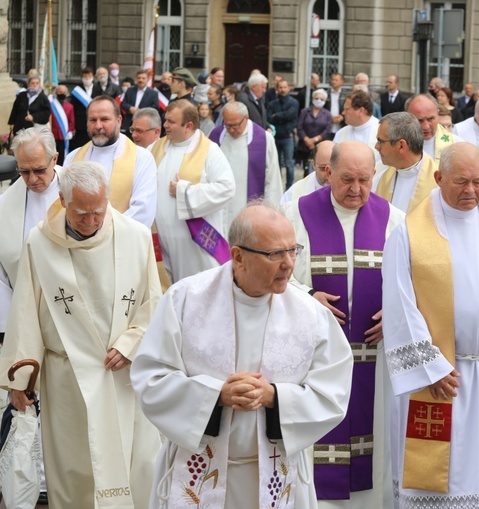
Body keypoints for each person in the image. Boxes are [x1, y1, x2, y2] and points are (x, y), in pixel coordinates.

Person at [131, 202, 354, 508]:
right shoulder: (184, 300)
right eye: (276, 254)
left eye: (293, 250)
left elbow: (333, 392)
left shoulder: (311, 314)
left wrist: (275, 397)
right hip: (198, 473)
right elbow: (150, 379)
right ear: (238, 257)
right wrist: (215, 395)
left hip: (278, 477)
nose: (289, 263)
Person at [0, 160, 161, 507]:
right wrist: (21, 379)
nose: (90, 221)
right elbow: (26, 310)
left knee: (134, 466)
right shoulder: (40, 243)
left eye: (98, 211)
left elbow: (153, 303)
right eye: (80, 213)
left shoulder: (134, 236)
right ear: (62, 199)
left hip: (122, 374)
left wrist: (132, 342)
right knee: (75, 470)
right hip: (67, 377)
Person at [383, 142, 479, 508]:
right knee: (443, 483)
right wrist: (429, 368)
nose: (471, 191)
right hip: (441, 378)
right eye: (461, 182)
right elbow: (399, 305)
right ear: (438, 178)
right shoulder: (410, 232)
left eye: (478, 182)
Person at [283, 140, 405, 508]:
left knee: (374, 435)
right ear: (328, 173)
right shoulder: (295, 213)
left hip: (374, 354)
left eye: (365, 180)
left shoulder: (393, 218)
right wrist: (306, 296)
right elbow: (274, 271)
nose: (356, 189)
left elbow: (410, 280)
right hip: (314, 355)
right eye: (347, 179)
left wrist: (395, 310)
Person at [151, 100, 235, 283]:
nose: (165, 125)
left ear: (188, 126)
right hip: (161, 240)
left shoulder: (210, 151)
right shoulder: (156, 149)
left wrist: (184, 191)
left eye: (171, 122)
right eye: (165, 120)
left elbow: (227, 188)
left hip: (196, 243)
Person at [0, 127, 61, 343]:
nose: (32, 179)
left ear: (54, 158)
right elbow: (2, 272)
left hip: (73, 309)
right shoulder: (4, 205)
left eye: (39, 169)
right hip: (26, 312)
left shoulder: (79, 189)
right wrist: (6, 325)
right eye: (24, 171)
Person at [64, 95, 157, 228]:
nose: (98, 126)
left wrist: (102, 233)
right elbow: (64, 203)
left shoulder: (141, 158)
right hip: (80, 241)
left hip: (122, 241)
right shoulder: (73, 157)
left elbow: (143, 211)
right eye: (92, 120)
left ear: (119, 121)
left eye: (104, 119)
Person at [210, 101, 282, 225]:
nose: (231, 130)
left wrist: (272, 214)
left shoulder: (264, 139)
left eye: (235, 125)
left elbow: (272, 179)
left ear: (246, 118)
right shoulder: (216, 137)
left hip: (248, 209)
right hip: (219, 208)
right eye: (227, 125)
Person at [373, 112, 439, 212]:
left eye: (380, 141)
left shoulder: (439, 186)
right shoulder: (378, 174)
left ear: (401, 146)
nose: (376, 147)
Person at [405, 94, 457, 164]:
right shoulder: (396, 144)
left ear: (437, 114)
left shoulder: (456, 144)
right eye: (419, 121)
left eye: (430, 119)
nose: (426, 126)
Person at [268, 79, 300, 188]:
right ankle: (277, 186)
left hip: (287, 136)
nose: (282, 89)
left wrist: (276, 116)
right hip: (276, 137)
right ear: (277, 89)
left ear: (288, 88)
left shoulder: (294, 102)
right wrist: (281, 117)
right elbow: (269, 118)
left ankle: (289, 186)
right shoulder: (273, 103)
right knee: (276, 163)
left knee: (289, 163)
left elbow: (290, 115)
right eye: (280, 87)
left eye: (284, 87)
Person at [281, 140, 334, 205]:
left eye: (334, 168)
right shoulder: (294, 194)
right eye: (323, 168)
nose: (329, 175)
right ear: (313, 165)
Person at [296, 88, 333, 171]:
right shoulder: (305, 111)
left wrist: (314, 140)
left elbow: (327, 130)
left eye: (321, 99)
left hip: (320, 145)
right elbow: (299, 127)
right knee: (305, 169)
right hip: (305, 145)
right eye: (316, 98)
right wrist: (307, 140)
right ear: (312, 99)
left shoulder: (327, 114)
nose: (319, 100)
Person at [334, 90, 380, 156]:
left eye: (347, 109)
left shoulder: (381, 131)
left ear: (361, 111)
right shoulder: (341, 133)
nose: (343, 113)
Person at [120, 69, 160, 135]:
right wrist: (130, 108)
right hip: (128, 122)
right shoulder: (130, 90)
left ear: (148, 79)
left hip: (144, 124)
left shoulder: (153, 93)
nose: (140, 80)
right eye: (139, 78)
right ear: (136, 79)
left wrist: (141, 111)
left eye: (143, 78)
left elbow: (155, 107)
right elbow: (123, 104)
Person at [69, 67, 99, 150]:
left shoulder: (98, 89)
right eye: (85, 76)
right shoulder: (77, 90)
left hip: (95, 121)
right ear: (82, 77)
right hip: (80, 123)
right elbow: (72, 107)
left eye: (89, 76)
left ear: (93, 76)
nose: (87, 78)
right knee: (81, 146)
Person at [50, 84, 75, 165]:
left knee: (61, 156)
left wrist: (71, 131)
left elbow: (71, 121)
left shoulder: (70, 106)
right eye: (60, 92)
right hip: (53, 134)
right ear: (56, 93)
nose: (62, 93)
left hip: (63, 135)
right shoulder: (51, 105)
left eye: (64, 92)